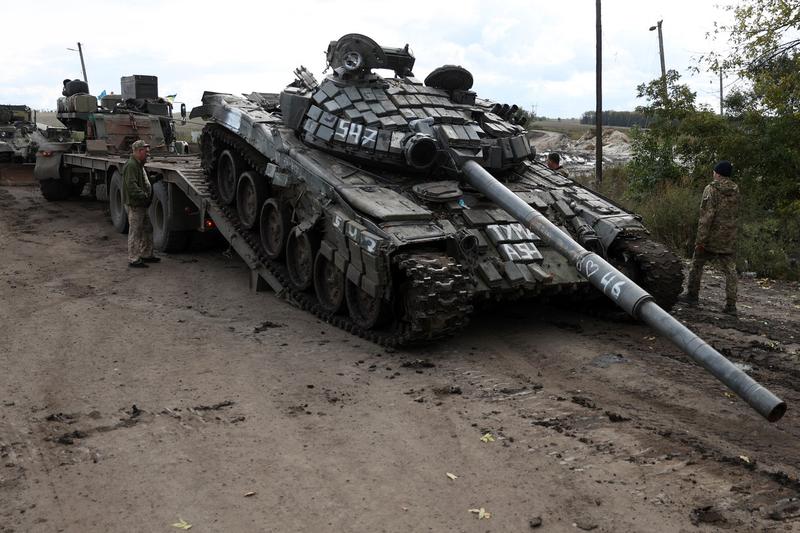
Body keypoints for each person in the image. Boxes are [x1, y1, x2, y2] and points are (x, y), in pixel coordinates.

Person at [681, 160, 739, 315]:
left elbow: (706, 216)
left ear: (718, 173)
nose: (713, 173)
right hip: (728, 237)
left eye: (714, 171)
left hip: (711, 237)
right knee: (730, 271)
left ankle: (692, 296)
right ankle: (731, 306)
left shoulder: (711, 189)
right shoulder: (735, 190)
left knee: (697, 265)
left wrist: (700, 240)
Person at [122, 140, 160, 268]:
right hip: (136, 205)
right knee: (135, 231)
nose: (148, 153)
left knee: (147, 228)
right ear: (139, 151)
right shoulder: (132, 165)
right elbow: (131, 186)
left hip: (141, 205)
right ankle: (133, 259)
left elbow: (143, 182)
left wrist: (154, 180)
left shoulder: (139, 164)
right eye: (146, 150)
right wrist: (144, 196)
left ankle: (146, 254)